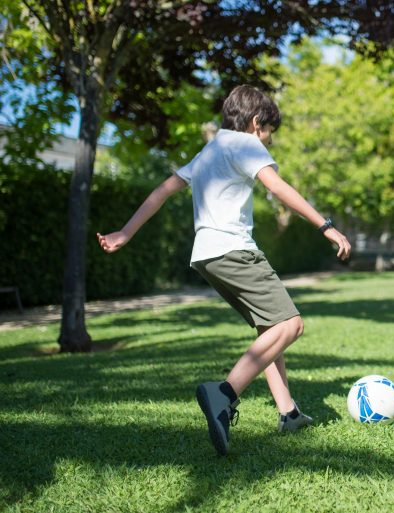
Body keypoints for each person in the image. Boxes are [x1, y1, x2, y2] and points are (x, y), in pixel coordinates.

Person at [97, 85, 351, 455]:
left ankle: (289, 412)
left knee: (270, 326)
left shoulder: (211, 148)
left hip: (207, 255)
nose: (268, 142)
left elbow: (163, 190)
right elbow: (277, 187)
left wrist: (126, 232)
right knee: (290, 325)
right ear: (254, 123)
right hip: (235, 250)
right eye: (268, 133)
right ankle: (224, 393)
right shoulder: (245, 143)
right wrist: (326, 226)